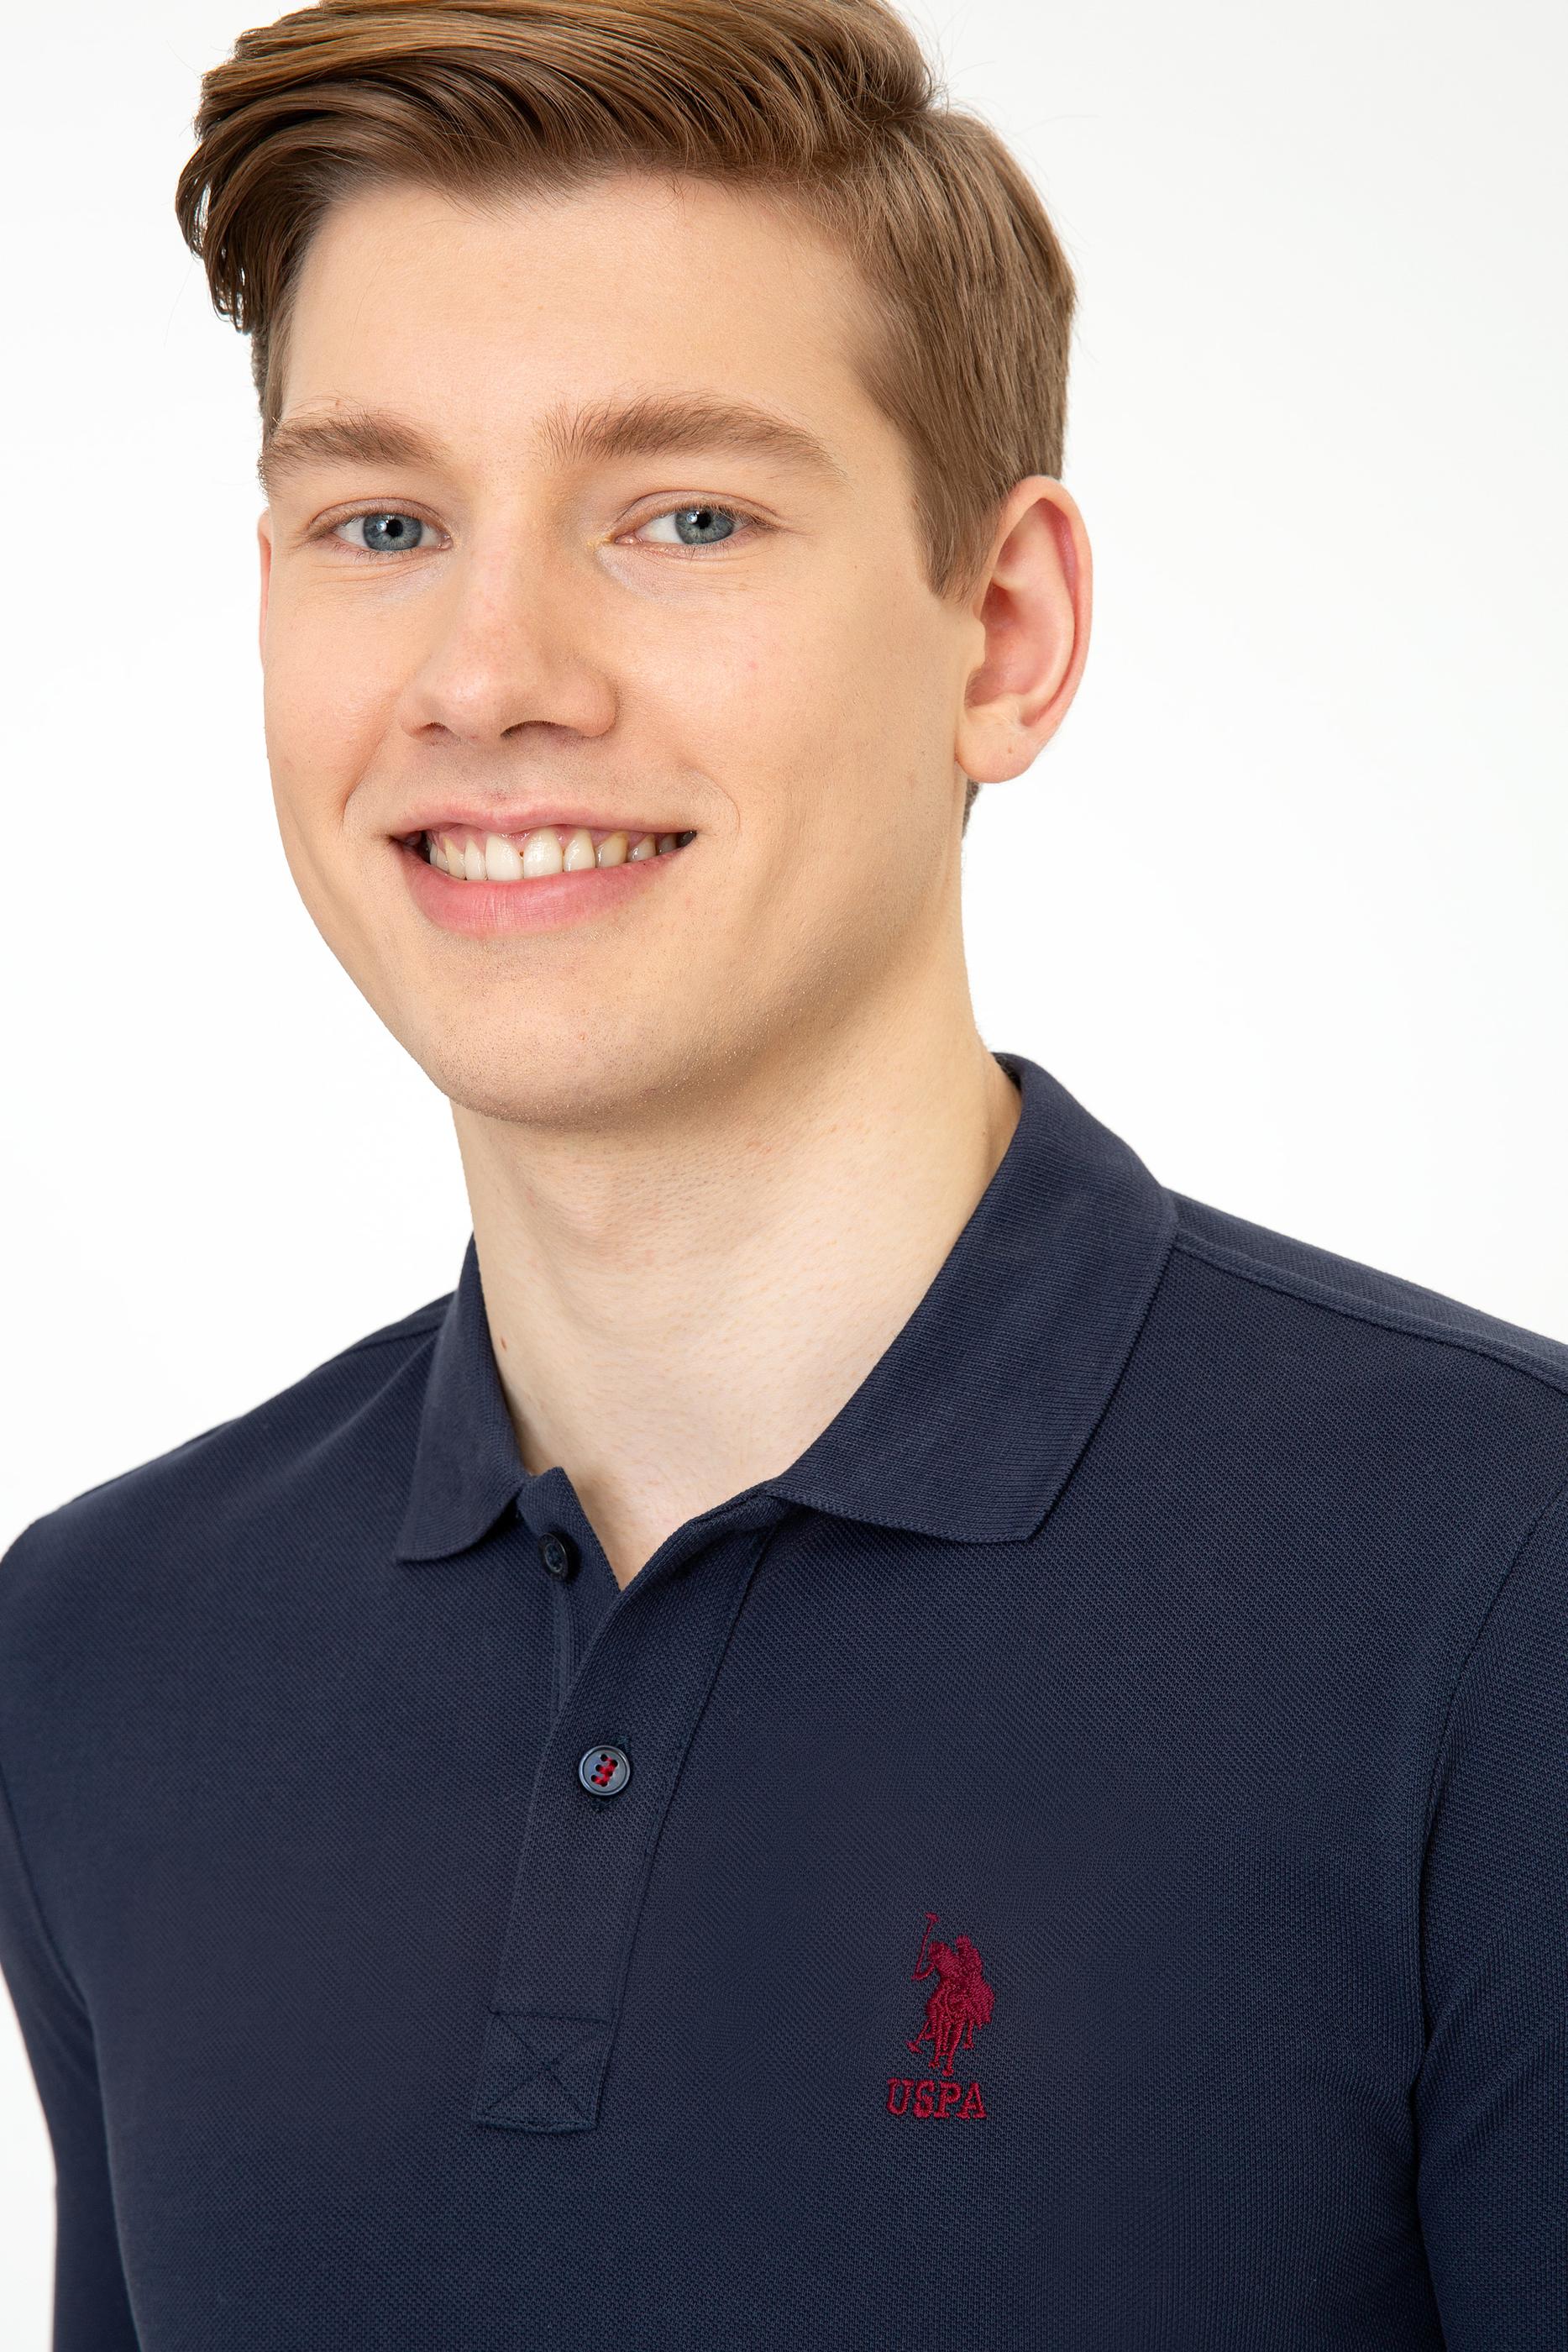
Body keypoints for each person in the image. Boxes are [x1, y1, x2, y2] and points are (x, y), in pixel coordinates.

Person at [1, 1, 1564, 2344]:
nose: (486, 673)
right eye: (382, 524)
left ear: (1002, 634)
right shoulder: (101, 1648)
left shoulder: (1504, 1591)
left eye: (686, 518)